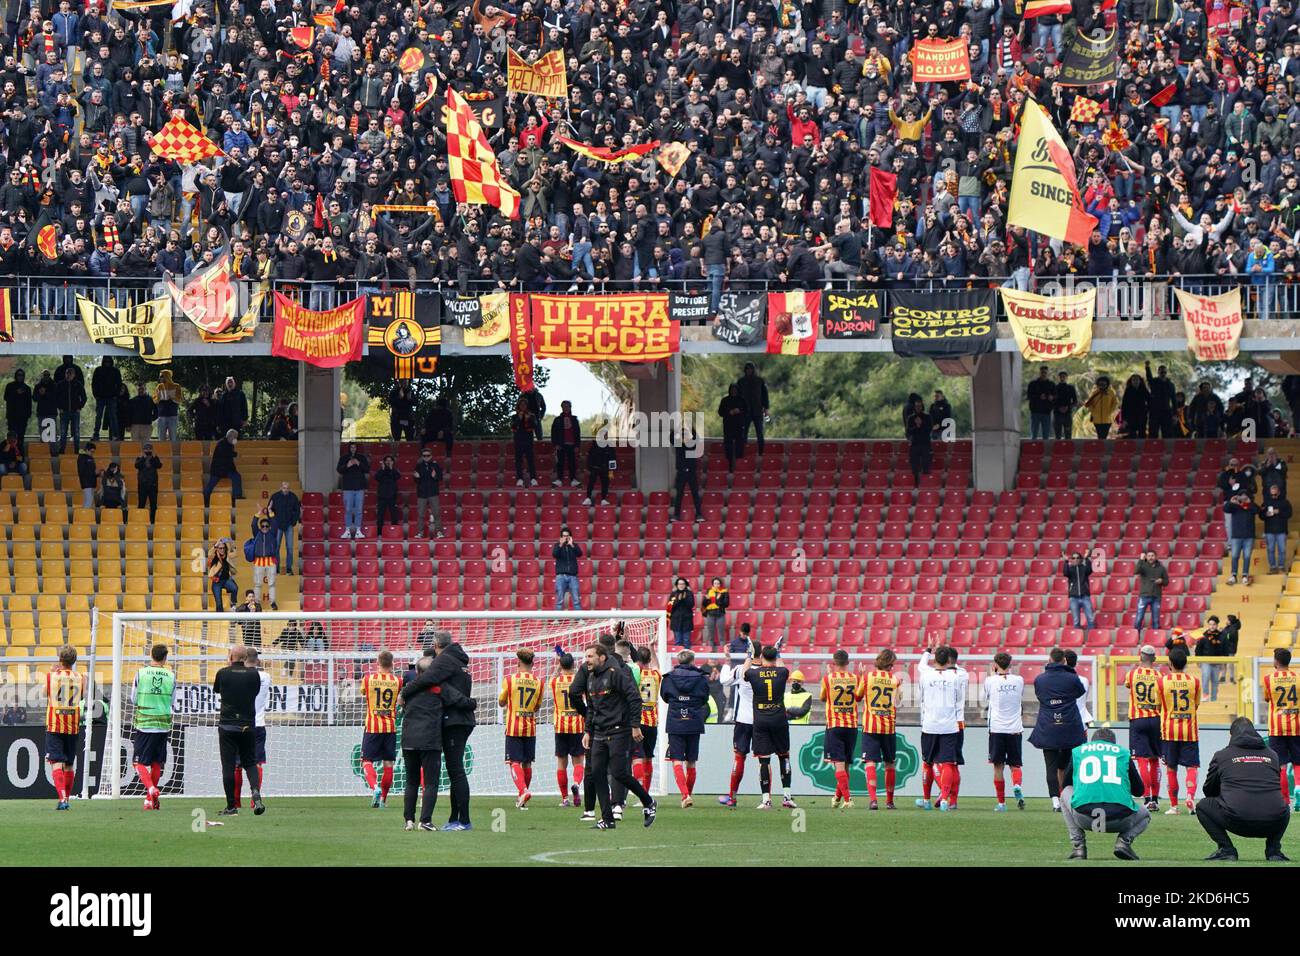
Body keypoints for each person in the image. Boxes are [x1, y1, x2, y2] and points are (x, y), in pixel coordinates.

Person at [577, 642, 657, 830]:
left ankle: (648, 802)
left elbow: (634, 698)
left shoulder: (615, 674)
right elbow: (592, 708)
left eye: (590, 656)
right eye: (585, 656)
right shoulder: (590, 679)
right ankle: (607, 819)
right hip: (599, 732)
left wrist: (635, 725)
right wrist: (588, 730)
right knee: (596, 773)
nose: (586, 660)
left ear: (602, 657)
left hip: (619, 730)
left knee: (619, 773)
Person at [1196, 717, 1291, 862]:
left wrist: (1228, 794)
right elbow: (1274, 787)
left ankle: (1226, 849)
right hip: (1273, 821)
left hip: (1236, 820)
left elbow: (1209, 791)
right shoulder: (1272, 755)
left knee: (1203, 806)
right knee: (1284, 808)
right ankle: (1274, 851)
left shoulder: (1222, 755)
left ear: (1231, 735)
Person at [397, 654, 470, 831]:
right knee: (430, 783)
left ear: (417, 672)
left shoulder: (408, 689)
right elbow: (459, 700)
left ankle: (409, 821)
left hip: (408, 739)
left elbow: (402, 706)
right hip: (429, 739)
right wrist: (472, 703)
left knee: (411, 781)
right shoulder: (439, 688)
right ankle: (425, 821)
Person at [1061, 728, 1151, 861]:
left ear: (1092, 742)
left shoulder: (1078, 751)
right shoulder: (1123, 753)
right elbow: (1139, 791)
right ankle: (1123, 842)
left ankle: (1078, 846)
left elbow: (1066, 784)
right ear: (1113, 743)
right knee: (1145, 815)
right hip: (1120, 820)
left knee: (1064, 793)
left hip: (1085, 817)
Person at [421, 630, 476, 831]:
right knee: (455, 771)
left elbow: (429, 680)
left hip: (455, 720)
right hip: (462, 719)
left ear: (437, 645)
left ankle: (465, 820)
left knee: (456, 771)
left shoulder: (446, 661)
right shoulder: (460, 661)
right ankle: (455, 818)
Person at [1029, 647, 1088, 813]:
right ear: (1064, 661)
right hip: (1069, 725)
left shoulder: (1040, 679)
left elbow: (1040, 695)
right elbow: (1079, 693)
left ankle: (1055, 801)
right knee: (1069, 765)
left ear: (1050, 660)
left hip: (1048, 725)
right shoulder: (1072, 678)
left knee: (1051, 766)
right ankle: (1070, 798)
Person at [212, 646, 266, 816]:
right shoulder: (253, 674)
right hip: (248, 725)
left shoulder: (222, 673)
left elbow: (217, 690)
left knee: (228, 766)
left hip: (227, 725)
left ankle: (231, 806)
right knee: (250, 763)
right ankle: (255, 792)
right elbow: (255, 692)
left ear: (231, 656)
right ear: (244, 658)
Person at [745, 640, 797, 810]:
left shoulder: (754, 674)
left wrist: (750, 655)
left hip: (761, 721)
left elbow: (745, 672)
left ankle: (766, 799)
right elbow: (781, 666)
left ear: (761, 658)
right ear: (775, 658)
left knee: (764, 761)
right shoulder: (782, 672)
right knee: (784, 756)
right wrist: (778, 651)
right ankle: (787, 797)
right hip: (779, 720)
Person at [914, 638, 964, 811]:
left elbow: (921, 696)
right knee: (949, 763)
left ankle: (927, 800)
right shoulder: (956, 677)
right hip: (950, 726)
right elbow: (958, 699)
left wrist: (928, 649)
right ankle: (944, 799)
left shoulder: (925, 675)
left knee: (927, 763)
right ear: (949, 660)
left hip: (929, 725)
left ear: (935, 660)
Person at [660, 649, 710, 809]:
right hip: (694, 721)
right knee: (691, 762)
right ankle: (688, 795)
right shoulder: (701, 678)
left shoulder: (668, 678)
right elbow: (705, 698)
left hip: (675, 722)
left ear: (678, 661)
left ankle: (685, 795)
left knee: (677, 760)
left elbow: (665, 697)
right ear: (692, 661)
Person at [719, 635, 764, 808]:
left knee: (739, 757)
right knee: (764, 759)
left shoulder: (741, 670)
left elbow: (724, 680)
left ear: (749, 652)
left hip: (743, 720)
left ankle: (732, 796)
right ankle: (765, 797)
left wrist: (726, 660)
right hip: (762, 719)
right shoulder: (769, 670)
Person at [1158, 646, 1203, 815]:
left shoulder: (1162, 682)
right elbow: (1196, 705)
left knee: (1171, 768)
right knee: (1191, 767)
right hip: (1189, 731)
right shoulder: (1195, 682)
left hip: (1169, 731)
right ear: (1186, 663)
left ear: (1170, 663)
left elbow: (1159, 705)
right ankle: (1190, 797)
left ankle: (1174, 806)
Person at [857, 647, 902, 811]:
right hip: (889, 727)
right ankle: (889, 802)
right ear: (890, 664)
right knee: (889, 763)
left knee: (870, 762)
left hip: (870, 726)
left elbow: (857, 696)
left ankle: (873, 800)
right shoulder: (895, 680)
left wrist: (861, 677)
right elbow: (898, 702)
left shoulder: (868, 677)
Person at [499, 648, 542, 810]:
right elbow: (537, 706)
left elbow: (501, 702)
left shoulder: (510, 680)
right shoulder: (539, 682)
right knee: (527, 763)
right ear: (533, 663)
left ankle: (523, 790)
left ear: (518, 662)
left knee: (514, 761)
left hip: (513, 726)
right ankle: (522, 797)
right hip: (530, 726)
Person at [359, 650, 401, 809]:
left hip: (372, 726)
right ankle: (383, 800)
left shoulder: (368, 679)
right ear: (392, 663)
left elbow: (363, 692)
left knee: (366, 761)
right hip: (390, 727)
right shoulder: (398, 680)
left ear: (378, 662)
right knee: (388, 764)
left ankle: (375, 787)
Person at [44, 644, 84, 811]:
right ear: (74, 661)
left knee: (55, 762)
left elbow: (44, 692)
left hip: (55, 723)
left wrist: (54, 672)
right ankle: (66, 797)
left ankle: (62, 799)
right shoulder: (81, 677)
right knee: (68, 764)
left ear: (60, 659)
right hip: (73, 724)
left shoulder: (51, 676)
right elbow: (81, 696)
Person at [1125, 644, 1165, 812]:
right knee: (1155, 759)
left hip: (1138, 719)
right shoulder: (1159, 675)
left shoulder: (1132, 674)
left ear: (1140, 656)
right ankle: (1155, 798)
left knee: (1142, 760)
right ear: (1154, 659)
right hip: (1155, 719)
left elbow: (1128, 685)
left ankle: (1147, 798)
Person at [820, 649, 860, 810]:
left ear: (834, 663)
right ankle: (837, 797)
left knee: (839, 765)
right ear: (848, 662)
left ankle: (848, 799)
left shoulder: (828, 679)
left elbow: (823, 698)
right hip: (851, 726)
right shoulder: (855, 678)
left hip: (835, 725)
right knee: (846, 764)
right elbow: (858, 697)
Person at [986, 652, 1026, 812]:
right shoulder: (1019, 680)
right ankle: (1016, 785)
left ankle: (1001, 803)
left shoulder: (990, 681)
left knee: (998, 766)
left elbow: (985, 697)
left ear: (995, 665)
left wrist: (992, 674)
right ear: (1010, 664)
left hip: (997, 728)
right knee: (1015, 764)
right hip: (1014, 728)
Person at [1264, 648, 1300, 814]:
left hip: (1277, 728)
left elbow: (1267, 698)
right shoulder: (1298, 678)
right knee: (1298, 763)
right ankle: (1298, 788)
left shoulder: (1268, 679)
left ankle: (1285, 801)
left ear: (1276, 661)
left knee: (1281, 765)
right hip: (1296, 726)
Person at [549, 652, 586, 808]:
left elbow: (554, 675)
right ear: (574, 665)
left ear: (561, 665)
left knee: (561, 763)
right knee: (578, 762)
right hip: (577, 725)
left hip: (561, 726)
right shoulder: (580, 682)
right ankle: (576, 784)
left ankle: (565, 798)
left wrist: (559, 663)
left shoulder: (554, 682)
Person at [633, 646, 660, 795]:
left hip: (637, 723)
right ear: (649, 660)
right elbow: (657, 666)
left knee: (635, 757)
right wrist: (652, 649)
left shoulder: (635, 674)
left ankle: (634, 788)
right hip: (652, 723)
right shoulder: (656, 675)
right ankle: (645, 794)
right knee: (648, 758)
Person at [336, 441, 370, 539]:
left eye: (355, 447)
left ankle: (358, 531)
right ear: (349, 448)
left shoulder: (362, 458)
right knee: (348, 510)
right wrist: (347, 465)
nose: (353, 449)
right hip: (348, 488)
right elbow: (339, 469)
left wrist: (359, 463)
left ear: (357, 448)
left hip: (360, 488)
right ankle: (347, 531)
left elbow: (367, 469)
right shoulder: (344, 458)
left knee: (359, 510)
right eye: (351, 447)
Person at [1225, 492, 1258, 586]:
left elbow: (1257, 510)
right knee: (1235, 556)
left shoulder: (1251, 507)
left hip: (1249, 536)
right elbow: (1225, 509)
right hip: (1236, 536)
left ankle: (1245, 575)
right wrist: (1231, 501)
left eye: (1245, 496)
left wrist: (1249, 502)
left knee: (1247, 557)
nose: (1243, 499)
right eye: (1241, 496)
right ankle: (1233, 575)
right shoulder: (1234, 507)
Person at [248, 512, 280, 610]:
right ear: (260, 527)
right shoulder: (257, 533)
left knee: (272, 584)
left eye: (267, 526)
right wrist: (257, 514)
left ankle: (273, 602)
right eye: (262, 526)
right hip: (258, 561)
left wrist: (270, 513)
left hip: (270, 561)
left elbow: (275, 524)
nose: (265, 528)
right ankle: (257, 603)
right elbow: (253, 524)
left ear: (269, 527)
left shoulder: (272, 533)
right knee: (257, 584)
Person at [736, 362, 769, 456]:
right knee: (743, 434)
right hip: (745, 412)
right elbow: (737, 397)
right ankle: (741, 453)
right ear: (745, 370)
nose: (749, 371)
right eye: (747, 369)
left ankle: (761, 453)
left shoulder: (759, 381)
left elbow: (764, 395)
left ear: (753, 370)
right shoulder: (741, 381)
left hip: (757, 411)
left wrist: (766, 408)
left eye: (750, 369)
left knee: (759, 433)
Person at [268, 482, 300, 575]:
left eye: (287, 488)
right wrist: (273, 522)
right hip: (277, 525)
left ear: (289, 488)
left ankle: (289, 568)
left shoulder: (293, 497)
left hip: (289, 525)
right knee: (276, 547)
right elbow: (269, 509)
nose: (285, 489)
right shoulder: (275, 496)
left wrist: (293, 521)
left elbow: (297, 510)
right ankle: (276, 568)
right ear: (281, 487)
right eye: (284, 488)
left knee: (289, 548)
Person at [204, 430, 244, 504]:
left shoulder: (230, 444)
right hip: (218, 469)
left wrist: (234, 470)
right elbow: (226, 454)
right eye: (235, 437)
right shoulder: (221, 443)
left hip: (227, 469)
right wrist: (236, 454)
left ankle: (236, 497)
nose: (236, 439)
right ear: (230, 436)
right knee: (211, 484)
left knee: (237, 477)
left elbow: (229, 459)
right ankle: (205, 499)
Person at [1134, 549, 1168, 634]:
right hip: (1144, 596)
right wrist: (1141, 559)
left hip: (1156, 596)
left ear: (1156, 557)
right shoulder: (1143, 566)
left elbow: (1166, 581)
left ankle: (1155, 636)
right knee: (1139, 617)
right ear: (1146, 557)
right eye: (1149, 556)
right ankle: (1135, 635)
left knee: (1156, 619)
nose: (1151, 557)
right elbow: (1136, 571)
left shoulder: (1161, 568)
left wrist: (1161, 581)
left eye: (1152, 556)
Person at [1195, 617, 1227, 703]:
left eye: (1213, 624)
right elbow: (1198, 649)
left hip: (1217, 662)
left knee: (1215, 681)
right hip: (1206, 661)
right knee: (1205, 677)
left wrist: (1224, 663)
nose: (1212, 626)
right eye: (1210, 624)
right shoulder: (1203, 636)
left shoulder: (1222, 636)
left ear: (1217, 625)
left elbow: (1225, 650)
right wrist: (1198, 660)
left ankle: (1214, 698)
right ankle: (1205, 695)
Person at [1062, 548, 1095, 631]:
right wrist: (1066, 561)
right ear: (1071, 560)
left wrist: (1087, 558)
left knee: (1090, 619)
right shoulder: (1070, 569)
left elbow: (1090, 570)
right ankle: (1077, 637)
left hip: (1085, 597)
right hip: (1074, 598)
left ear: (1080, 559)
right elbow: (1065, 573)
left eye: (1077, 558)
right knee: (1076, 621)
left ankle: (1091, 636)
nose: (1076, 559)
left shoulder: (1084, 568)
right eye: (1073, 558)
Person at [413, 447, 443, 537]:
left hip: (433, 492)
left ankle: (439, 532)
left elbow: (440, 478)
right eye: (424, 456)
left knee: (436, 513)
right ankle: (420, 533)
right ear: (422, 456)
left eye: (428, 455)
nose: (426, 457)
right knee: (421, 514)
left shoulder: (435, 465)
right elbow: (416, 481)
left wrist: (434, 476)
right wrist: (416, 477)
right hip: (422, 493)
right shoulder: (418, 466)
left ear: (431, 456)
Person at [56, 366, 87, 456]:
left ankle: (76, 451)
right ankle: (62, 450)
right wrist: (60, 408)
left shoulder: (78, 384)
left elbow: (84, 397)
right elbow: (56, 397)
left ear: (74, 375)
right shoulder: (60, 384)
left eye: (70, 373)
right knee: (63, 432)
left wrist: (79, 407)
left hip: (75, 412)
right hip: (64, 412)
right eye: (67, 373)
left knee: (76, 432)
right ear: (65, 374)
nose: (68, 375)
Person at [673, 428, 702, 521]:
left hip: (691, 472)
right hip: (681, 472)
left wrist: (690, 426)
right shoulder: (678, 444)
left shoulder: (692, 444)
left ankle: (699, 514)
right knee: (679, 494)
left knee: (695, 493)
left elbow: (697, 437)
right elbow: (670, 437)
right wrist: (677, 428)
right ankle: (676, 515)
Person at [550, 399, 581, 487]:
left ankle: (573, 479)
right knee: (560, 463)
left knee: (572, 463)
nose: (566, 408)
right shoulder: (557, 420)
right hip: (561, 445)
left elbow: (578, 433)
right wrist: (555, 444)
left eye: (567, 406)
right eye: (564, 407)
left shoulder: (574, 419)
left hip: (572, 444)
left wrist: (577, 445)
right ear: (562, 408)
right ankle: (559, 479)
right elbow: (553, 433)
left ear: (570, 408)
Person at [1262, 484, 1292, 574]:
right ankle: (1272, 567)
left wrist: (1279, 512)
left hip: (1282, 530)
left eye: (1275, 494)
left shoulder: (1285, 502)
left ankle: (1281, 566)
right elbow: (1261, 515)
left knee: (1282, 549)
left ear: (1278, 493)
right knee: (1270, 549)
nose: (1273, 496)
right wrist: (1265, 514)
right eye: (1272, 494)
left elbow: (1289, 514)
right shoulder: (1266, 502)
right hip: (1269, 530)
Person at [718, 383, 748, 471]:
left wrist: (739, 411)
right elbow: (720, 412)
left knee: (740, 445)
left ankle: (739, 465)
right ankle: (729, 464)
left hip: (739, 425)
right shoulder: (725, 400)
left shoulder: (742, 400)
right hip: (728, 426)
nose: (733, 391)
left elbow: (746, 411)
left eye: (735, 390)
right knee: (728, 446)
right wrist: (729, 412)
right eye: (732, 389)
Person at [90, 356, 121, 441]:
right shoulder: (98, 370)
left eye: (108, 361)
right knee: (98, 416)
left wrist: (116, 395)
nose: (107, 363)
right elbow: (94, 383)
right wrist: (96, 395)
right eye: (106, 361)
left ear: (111, 361)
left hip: (111, 397)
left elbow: (119, 384)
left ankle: (115, 435)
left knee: (113, 417)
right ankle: (96, 434)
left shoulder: (115, 371)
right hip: (100, 397)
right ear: (103, 361)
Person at [552, 527, 583, 611]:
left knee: (576, 599)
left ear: (570, 537)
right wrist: (560, 545)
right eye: (564, 536)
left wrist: (572, 545)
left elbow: (580, 554)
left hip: (573, 576)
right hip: (561, 576)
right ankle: (557, 619)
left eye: (567, 536)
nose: (565, 537)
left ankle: (579, 618)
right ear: (561, 537)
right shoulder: (557, 545)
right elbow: (554, 554)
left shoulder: (574, 545)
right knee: (559, 599)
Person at [904, 395, 933, 485]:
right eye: (916, 406)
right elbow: (908, 431)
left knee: (926, 465)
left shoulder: (927, 417)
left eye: (920, 406)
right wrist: (917, 426)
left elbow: (929, 429)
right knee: (914, 466)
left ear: (922, 407)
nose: (918, 408)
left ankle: (926, 484)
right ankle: (916, 483)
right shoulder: (911, 418)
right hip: (915, 444)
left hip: (925, 444)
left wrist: (921, 424)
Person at [510, 398, 538, 486]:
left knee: (530, 460)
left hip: (528, 440)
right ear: (519, 406)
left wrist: (529, 419)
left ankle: (533, 478)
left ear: (527, 406)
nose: (523, 406)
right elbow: (513, 427)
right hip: (518, 440)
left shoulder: (531, 415)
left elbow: (535, 426)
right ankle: (520, 479)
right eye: (521, 405)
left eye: (524, 405)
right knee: (518, 461)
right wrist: (519, 418)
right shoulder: (515, 416)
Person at [1083, 375, 1118, 440]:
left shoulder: (1111, 392)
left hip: (1108, 419)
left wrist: (1110, 411)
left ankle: (1103, 448)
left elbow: (1115, 403)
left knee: (1104, 435)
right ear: (1098, 384)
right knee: (1100, 436)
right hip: (1097, 419)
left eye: (1104, 383)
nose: (1102, 385)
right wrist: (1093, 412)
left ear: (1107, 384)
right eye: (1100, 384)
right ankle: (1101, 448)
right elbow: (1090, 403)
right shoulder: (1094, 392)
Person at [134, 443, 162, 523]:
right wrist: (143, 458)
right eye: (146, 449)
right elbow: (137, 466)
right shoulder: (139, 458)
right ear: (143, 450)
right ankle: (140, 520)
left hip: (153, 485)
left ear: (152, 450)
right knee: (141, 504)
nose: (148, 450)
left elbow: (159, 466)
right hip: (142, 485)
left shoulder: (155, 458)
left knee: (153, 504)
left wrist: (153, 458)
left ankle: (153, 521)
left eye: (149, 449)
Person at [374, 455, 401, 536]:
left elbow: (398, 476)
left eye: (390, 460)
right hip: (382, 496)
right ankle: (379, 532)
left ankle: (395, 531)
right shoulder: (381, 470)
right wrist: (382, 469)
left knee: (394, 514)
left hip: (392, 496)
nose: (388, 462)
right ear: (384, 462)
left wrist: (392, 468)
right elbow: (376, 477)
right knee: (380, 514)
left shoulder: (394, 470)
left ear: (393, 462)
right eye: (387, 460)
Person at [4, 369, 32, 450]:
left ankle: (20, 454)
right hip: (12, 416)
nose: (20, 377)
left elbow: (29, 403)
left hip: (23, 417)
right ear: (16, 376)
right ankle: (11, 454)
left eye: (22, 375)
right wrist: (16, 393)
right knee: (11, 436)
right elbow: (6, 398)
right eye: (19, 375)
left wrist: (28, 414)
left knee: (21, 436)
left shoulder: (27, 388)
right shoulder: (9, 386)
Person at [1027, 366, 1056, 440]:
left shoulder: (1051, 384)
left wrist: (1052, 398)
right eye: (1042, 372)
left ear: (1047, 373)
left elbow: (1056, 397)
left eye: (1045, 372)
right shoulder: (1033, 384)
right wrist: (1039, 397)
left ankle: (1044, 450)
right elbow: (1029, 396)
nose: (1044, 374)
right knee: (1034, 433)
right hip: (1035, 411)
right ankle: (1033, 448)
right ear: (1039, 373)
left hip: (1047, 412)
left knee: (1046, 435)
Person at [208, 541, 238, 611]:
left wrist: (233, 546)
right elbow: (209, 553)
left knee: (235, 588)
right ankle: (220, 619)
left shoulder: (227, 555)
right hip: (217, 582)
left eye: (223, 548)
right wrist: (215, 545)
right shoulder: (214, 556)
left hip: (226, 580)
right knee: (219, 603)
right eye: (220, 548)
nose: (222, 550)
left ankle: (233, 605)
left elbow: (235, 554)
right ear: (217, 549)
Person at [666, 577, 695, 649]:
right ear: (677, 585)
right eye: (679, 584)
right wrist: (678, 600)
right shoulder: (673, 594)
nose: (681, 585)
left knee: (686, 641)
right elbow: (670, 606)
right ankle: (677, 659)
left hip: (687, 620)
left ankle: (687, 659)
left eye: (682, 584)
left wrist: (684, 599)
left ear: (685, 585)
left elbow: (691, 605)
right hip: (676, 620)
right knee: (678, 641)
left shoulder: (689, 593)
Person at [154, 371, 182, 443]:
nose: (160, 378)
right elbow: (154, 400)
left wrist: (172, 397)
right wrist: (159, 398)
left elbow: (180, 400)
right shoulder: (159, 386)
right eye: (160, 376)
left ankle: (173, 453)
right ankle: (161, 453)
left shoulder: (176, 386)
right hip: (161, 416)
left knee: (173, 438)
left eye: (162, 376)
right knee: (161, 438)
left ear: (167, 376)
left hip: (172, 416)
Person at [701, 578, 729, 649]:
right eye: (715, 583)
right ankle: (711, 652)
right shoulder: (709, 591)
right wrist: (706, 600)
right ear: (713, 584)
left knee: (721, 635)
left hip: (720, 615)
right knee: (711, 635)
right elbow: (704, 604)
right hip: (710, 614)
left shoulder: (724, 592)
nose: (716, 585)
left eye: (718, 583)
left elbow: (726, 604)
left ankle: (723, 651)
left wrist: (717, 600)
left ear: (720, 584)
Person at [1053, 372, 1078, 439]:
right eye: (1061, 377)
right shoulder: (1055, 388)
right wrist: (1058, 408)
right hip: (1057, 414)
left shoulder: (1071, 388)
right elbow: (1051, 401)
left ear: (1066, 378)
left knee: (1068, 433)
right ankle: (1058, 448)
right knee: (1057, 434)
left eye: (1064, 376)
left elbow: (1075, 401)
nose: (1062, 378)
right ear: (1058, 378)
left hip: (1067, 414)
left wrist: (1068, 407)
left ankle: (1068, 448)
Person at [75, 442, 97, 510]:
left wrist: (97, 473)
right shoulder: (82, 458)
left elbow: (91, 471)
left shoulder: (90, 458)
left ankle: (84, 516)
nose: (92, 453)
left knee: (88, 501)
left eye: (93, 452)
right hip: (86, 482)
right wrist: (94, 473)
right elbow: (82, 471)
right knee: (88, 502)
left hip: (92, 482)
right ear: (87, 450)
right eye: (91, 451)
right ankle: (84, 517)